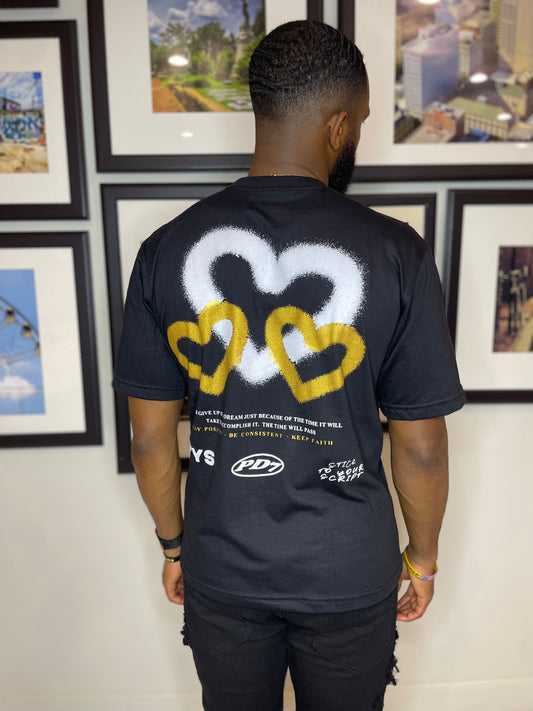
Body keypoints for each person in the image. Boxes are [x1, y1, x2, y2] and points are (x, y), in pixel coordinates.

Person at [113, 20, 465, 711]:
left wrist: (175, 548)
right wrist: (421, 558)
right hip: (347, 567)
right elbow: (421, 446)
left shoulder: (164, 249)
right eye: (362, 121)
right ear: (338, 126)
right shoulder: (397, 252)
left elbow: (150, 439)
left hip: (221, 564)